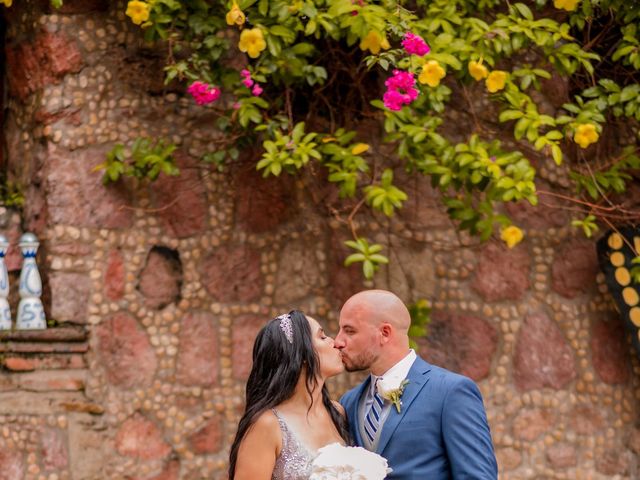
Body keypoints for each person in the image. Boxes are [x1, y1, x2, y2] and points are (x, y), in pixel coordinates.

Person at [336, 290, 498, 479]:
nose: (338, 341)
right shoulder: (349, 402)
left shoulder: (450, 392)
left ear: (385, 333)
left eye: (349, 331)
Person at [229, 310, 349, 480]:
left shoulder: (337, 412)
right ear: (302, 355)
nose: (335, 342)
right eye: (322, 337)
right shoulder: (267, 425)